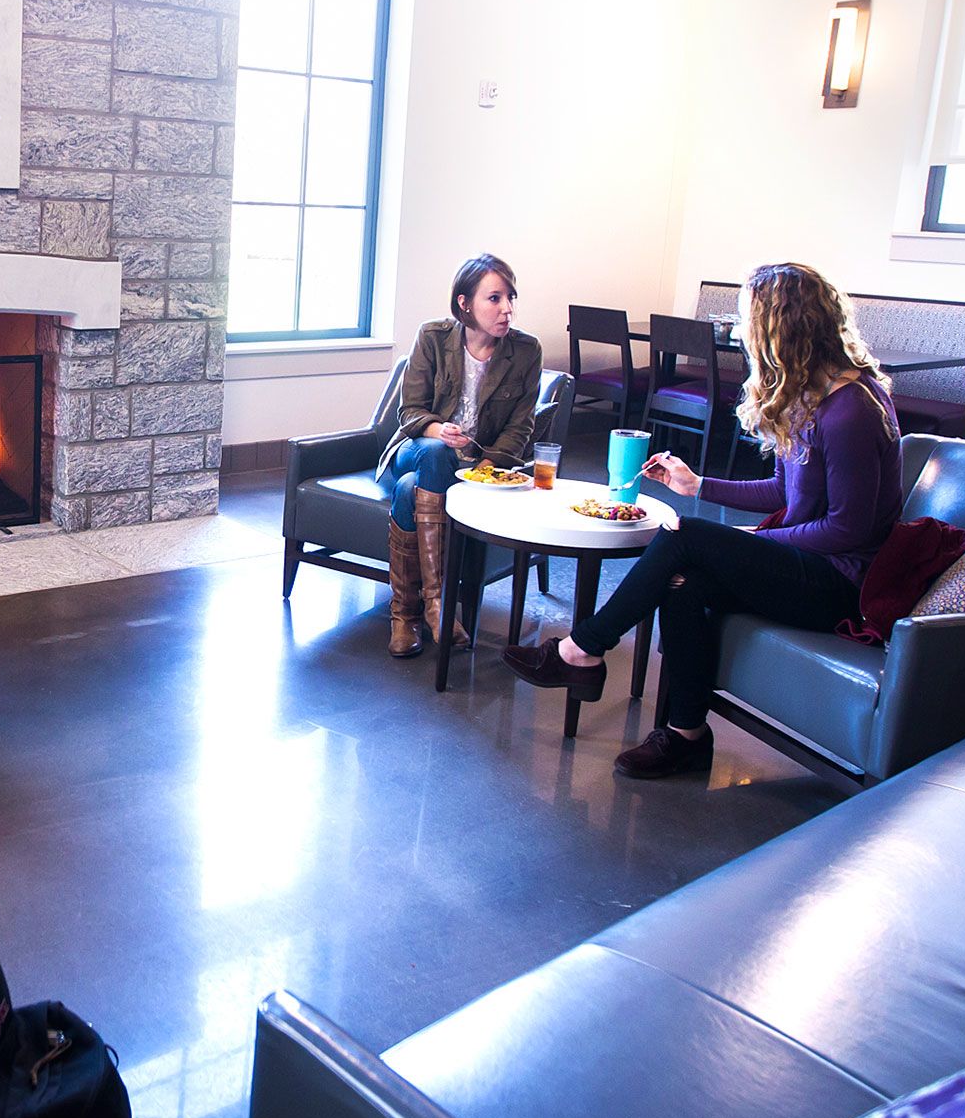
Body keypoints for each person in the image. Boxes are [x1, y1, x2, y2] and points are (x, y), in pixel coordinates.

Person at [502, 263, 902, 779]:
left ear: (779, 329)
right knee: (682, 579)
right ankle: (686, 733)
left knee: (684, 536)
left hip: (841, 583)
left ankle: (581, 650)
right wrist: (698, 486)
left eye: (746, 321)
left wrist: (752, 537)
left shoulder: (853, 410)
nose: (741, 333)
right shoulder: (811, 396)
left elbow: (849, 531)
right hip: (806, 560)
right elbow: (784, 490)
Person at [377, 253, 545, 658]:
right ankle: (439, 605)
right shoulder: (433, 337)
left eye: (511, 297)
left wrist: (485, 470)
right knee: (433, 456)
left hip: (471, 468)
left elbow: (521, 427)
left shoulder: (525, 351)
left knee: (408, 491)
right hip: (416, 449)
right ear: (464, 303)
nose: (507, 309)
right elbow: (410, 411)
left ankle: (405, 615)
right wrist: (439, 429)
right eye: (494, 298)